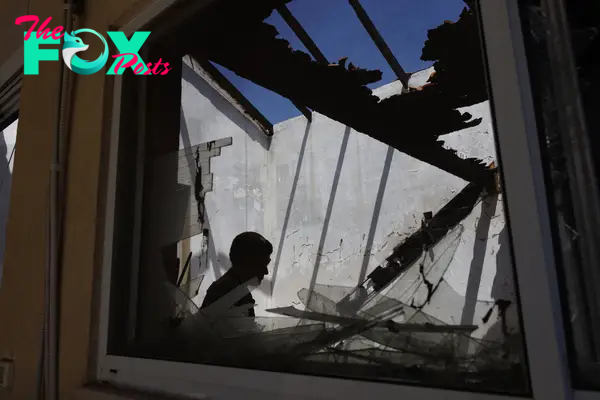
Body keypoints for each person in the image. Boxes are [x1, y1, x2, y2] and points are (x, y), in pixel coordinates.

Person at [200, 231, 273, 317]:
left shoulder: (238, 290)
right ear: (244, 263)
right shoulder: (224, 293)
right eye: (261, 264)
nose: (266, 271)